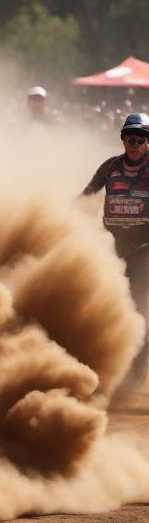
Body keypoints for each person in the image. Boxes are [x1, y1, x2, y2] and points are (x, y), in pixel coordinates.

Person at [83, 113, 149, 382]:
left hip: (145, 250)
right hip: (113, 247)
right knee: (106, 303)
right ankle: (108, 360)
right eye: (131, 138)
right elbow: (87, 194)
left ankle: (137, 369)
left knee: (139, 306)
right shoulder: (109, 168)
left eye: (141, 139)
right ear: (122, 140)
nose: (135, 144)